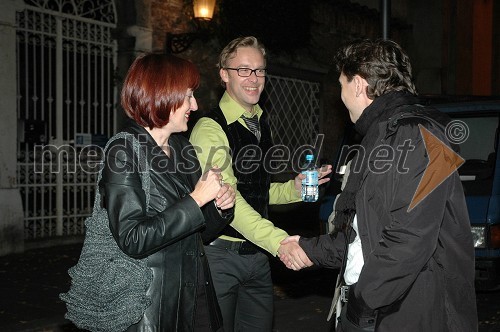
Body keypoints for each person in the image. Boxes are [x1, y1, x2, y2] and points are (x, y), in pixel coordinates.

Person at [280, 39, 478, 331]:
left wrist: (363, 302)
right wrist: (310, 249)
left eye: (342, 84)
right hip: (383, 310)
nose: (341, 95)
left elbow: (409, 241)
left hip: (401, 314)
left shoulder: (413, 134)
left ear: (359, 85)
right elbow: (363, 232)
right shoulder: (383, 134)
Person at [189, 36, 331, 331]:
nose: (253, 79)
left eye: (259, 70)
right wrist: (279, 243)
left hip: (256, 256)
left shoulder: (259, 122)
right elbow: (228, 201)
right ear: (224, 74)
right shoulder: (210, 128)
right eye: (243, 70)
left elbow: (256, 190)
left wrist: (294, 187)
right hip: (219, 258)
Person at [100, 53, 235, 331]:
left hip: (195, 293)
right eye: (188, 96)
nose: (194, 106)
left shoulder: (183, 148)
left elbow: (199, 234)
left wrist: (219, 207)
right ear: (162, 95)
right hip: (153, 304)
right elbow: (132, 238)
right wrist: (197, 198)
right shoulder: (123, 151)